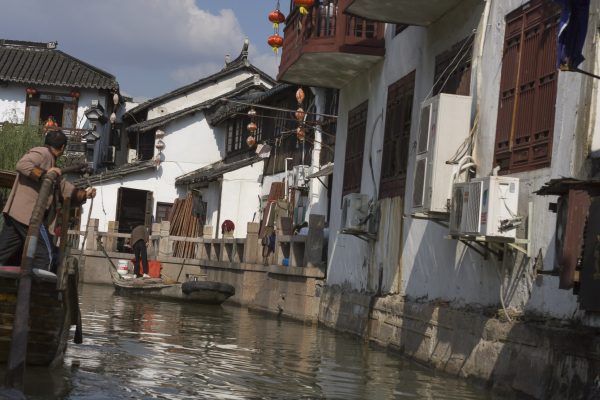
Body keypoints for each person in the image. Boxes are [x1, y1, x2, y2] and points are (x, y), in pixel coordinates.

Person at [0, 130, 96, 271]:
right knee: (46, 256)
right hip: (29, 217)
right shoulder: (42, 153)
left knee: (4, 253)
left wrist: (84, 194)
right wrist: (44, 175)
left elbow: (61, 186)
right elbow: (22, 165)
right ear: (62, 148)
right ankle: (37, 291)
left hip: (16, 215)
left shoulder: (50, 162)